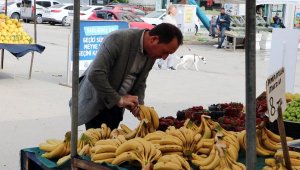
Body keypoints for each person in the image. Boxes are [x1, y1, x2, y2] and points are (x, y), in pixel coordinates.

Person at [71, 23, 183, 130]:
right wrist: (118, 99)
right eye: (165, 52)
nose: (164, 58)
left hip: (117, 107)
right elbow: (96, 74)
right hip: (98, 102)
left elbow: (141, 81)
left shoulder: (152, 53)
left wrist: (140, 106)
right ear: (154, 40)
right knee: (98, 144)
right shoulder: (118, 39)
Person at [157, 5, 178, 70]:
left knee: (172, 52)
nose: (175, 11)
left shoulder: (173, 19)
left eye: (176, 10)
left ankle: (169, 65)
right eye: (174, 10)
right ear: (170, 10)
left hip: (173, 37)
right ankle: (161, 62)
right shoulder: (167, 18)